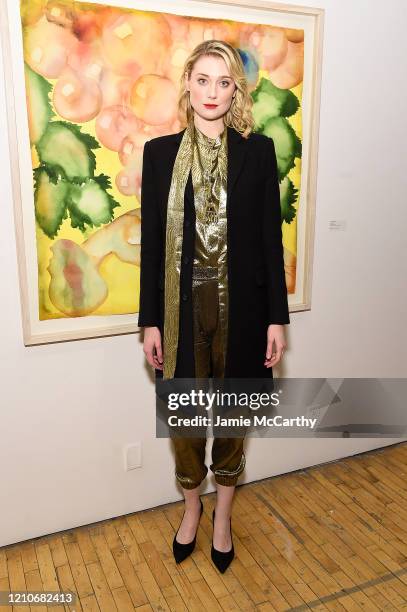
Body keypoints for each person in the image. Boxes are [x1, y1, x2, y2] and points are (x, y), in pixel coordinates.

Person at [138, 40, 289, 573]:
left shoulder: (259, 152)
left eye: (223, 82)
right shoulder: (158, 155)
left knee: (232, 414)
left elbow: (271, 241)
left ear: (235, 91)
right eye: (203, 79)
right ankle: (191, 506)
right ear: (187, 83)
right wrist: (149, 322)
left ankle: (222, 515)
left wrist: (277, 318)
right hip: (180, 312)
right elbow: (154, 248)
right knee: (183, 418)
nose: (212, 92)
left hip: (243, 311)